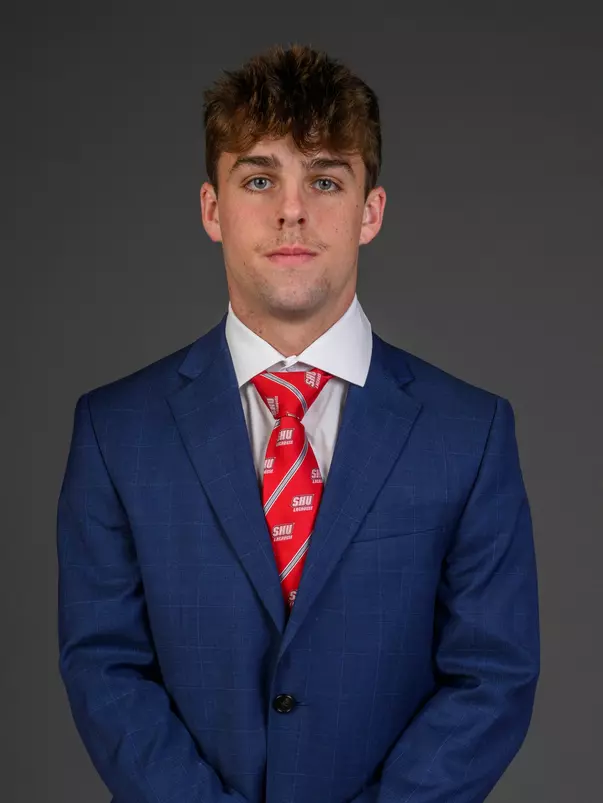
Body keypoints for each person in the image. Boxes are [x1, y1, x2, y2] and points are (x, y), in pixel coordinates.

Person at [57, 43, 540, 803]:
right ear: (211, 209)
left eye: (324, 179)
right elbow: (104, 667)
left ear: (370, 211)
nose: (292, 210)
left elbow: (492, 675)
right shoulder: (115, 433)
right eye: (259, 179)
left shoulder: (470, 434)